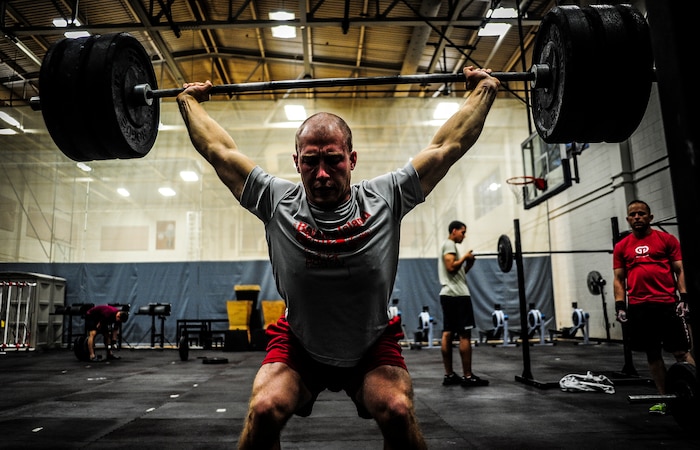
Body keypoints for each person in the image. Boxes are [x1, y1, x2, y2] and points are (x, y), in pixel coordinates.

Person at [176, 65, 500, 449]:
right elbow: (220, 151)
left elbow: (447, 147)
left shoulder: (387, 197)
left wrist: (484, 90)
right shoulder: (276, 200)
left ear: (353, 158)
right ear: (297, 162)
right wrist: (187, 102)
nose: (323, 173)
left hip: (370, 343)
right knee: (264, 409)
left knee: (397, 409)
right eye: (311, 161)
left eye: (333, 159)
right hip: (300, 343)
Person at [613, 199, 695, 415]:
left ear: (650, 217)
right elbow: (619, 279)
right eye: (633, 214)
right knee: (652, 353)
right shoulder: (621, 247)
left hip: (667, 303)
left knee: (681, 351)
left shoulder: (666, 239)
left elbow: (680, 270)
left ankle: (697, 392)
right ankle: (664, 399)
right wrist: (620, 305)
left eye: (641, 213)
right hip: (640, 307)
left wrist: (683, 297)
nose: (637, 217)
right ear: (628, 219)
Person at [438, 220, 488, 387]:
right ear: (454, 231)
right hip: (458, 296)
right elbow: (451, 267)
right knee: (464, 334)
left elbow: (457, 274)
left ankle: (450, 375)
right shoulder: (450, 245)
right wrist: (465, 256)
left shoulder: (447, 245)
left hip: (449, 293)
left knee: (448, 333)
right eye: (462, 232)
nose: (464, 236)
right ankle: (468, 376)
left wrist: (469, 265)